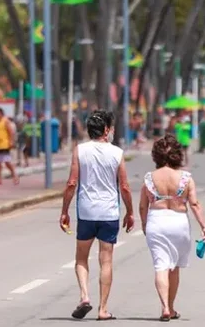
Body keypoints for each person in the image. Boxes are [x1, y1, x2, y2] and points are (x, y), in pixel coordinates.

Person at [59, 110, 134, 321]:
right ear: (107, 130)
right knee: (106, 260)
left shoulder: (80, 150)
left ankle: (84, 296)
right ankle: (102, 309)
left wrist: (64, 211)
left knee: (81, 257)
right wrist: (129, 212)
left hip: (86, 212)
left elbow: (72, 183)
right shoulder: (117, 153)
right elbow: (125, 186)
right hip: (109, 212)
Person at [139, 135, 205, 321]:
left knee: (160, 266)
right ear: (177, 155)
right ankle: (171, 307)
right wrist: (204, 227)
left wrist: (145, 224)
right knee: (175, 268)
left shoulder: (149, 178)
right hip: (178, 222)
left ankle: (164, 307)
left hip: (157, 221)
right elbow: (194, 204)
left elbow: (142, 206)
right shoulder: (186, 178)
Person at [0, 107, 19, 185]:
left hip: (4, 144)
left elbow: (11, 132)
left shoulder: (5, 121)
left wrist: (11, 142)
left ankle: (15, 176)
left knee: (7, 162)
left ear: (1, 113)